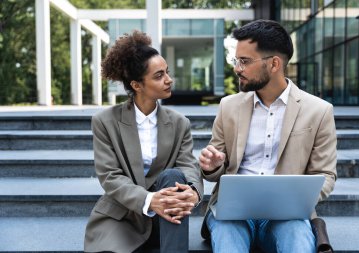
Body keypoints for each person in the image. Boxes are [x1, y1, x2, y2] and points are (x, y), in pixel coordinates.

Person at [199, 19, 337, 253]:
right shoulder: (228, 107)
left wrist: (295, 199)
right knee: (228, 240)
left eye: (244, 61)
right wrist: (212, 166)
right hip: (233, 214)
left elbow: (325, 175)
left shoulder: (319, 111)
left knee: (298, 240)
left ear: (274, 64)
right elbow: (214, 172)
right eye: (237, 60)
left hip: (287, 215)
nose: (237, 68)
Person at [84, 30, 203, 253]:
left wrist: (194, 192)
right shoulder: (105, 121)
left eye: (167, 72)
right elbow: (110, 176)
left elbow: (188, 164)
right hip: (123, 216)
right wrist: (149, 200)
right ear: (137, 85)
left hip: (168, 217)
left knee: (174, 176)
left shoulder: (179, 123)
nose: (169, 80)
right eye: (158, 76)